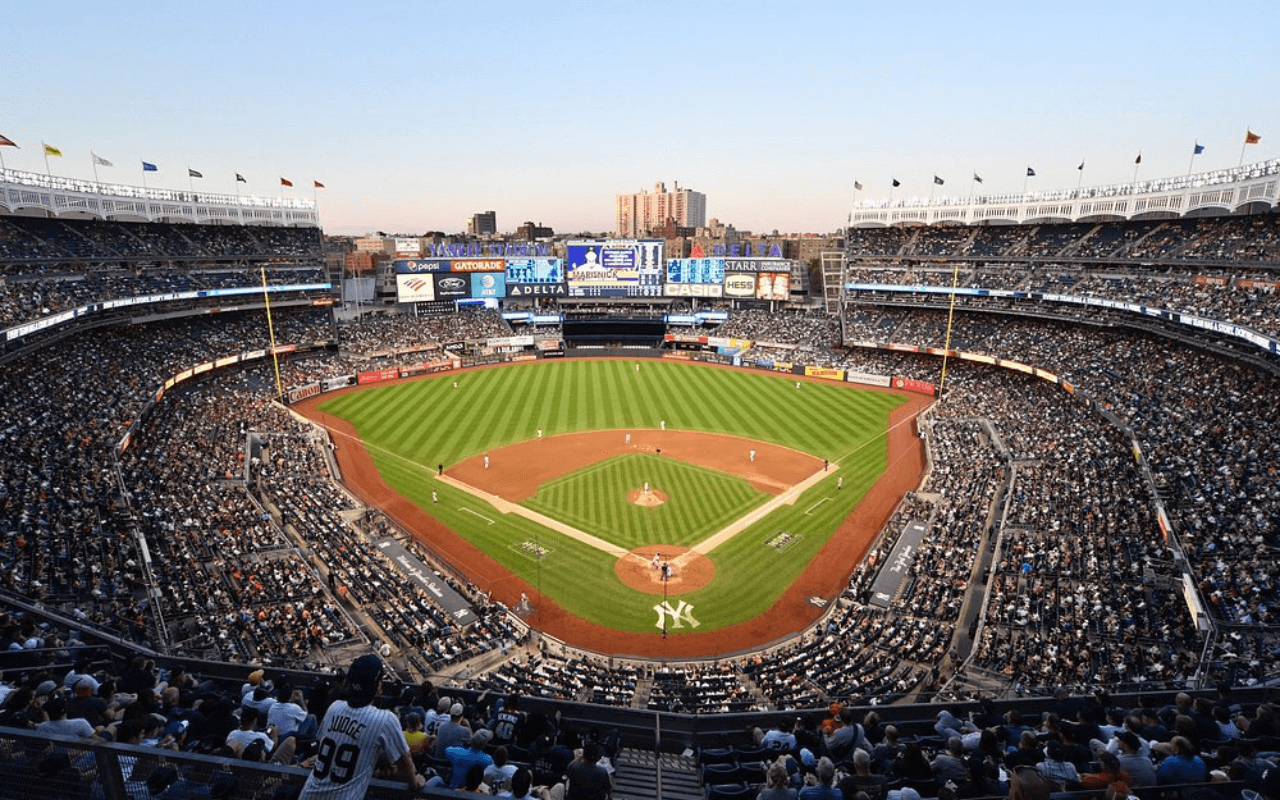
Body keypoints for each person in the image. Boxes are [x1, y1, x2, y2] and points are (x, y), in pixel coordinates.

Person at [299, 653, 423, 799]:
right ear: (376, 685)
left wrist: (380, 758)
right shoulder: (386, 719)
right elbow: (405, 762)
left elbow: (338, 745)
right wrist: (415, 781)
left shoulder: (334, 707)